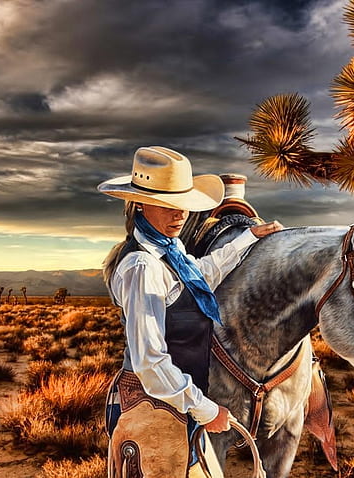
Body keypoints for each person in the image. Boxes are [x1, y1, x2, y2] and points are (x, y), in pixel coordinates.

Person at [98, 146, 282, 477]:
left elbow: (202, 274)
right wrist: (205, 409)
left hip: (173, 406)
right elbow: (149, 361)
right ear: (140, 203)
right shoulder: (142, 266)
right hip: (155, 411)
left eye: (182, 204)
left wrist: (247, 238)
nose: (179, 213)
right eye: (168, 205)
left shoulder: (170, 252)